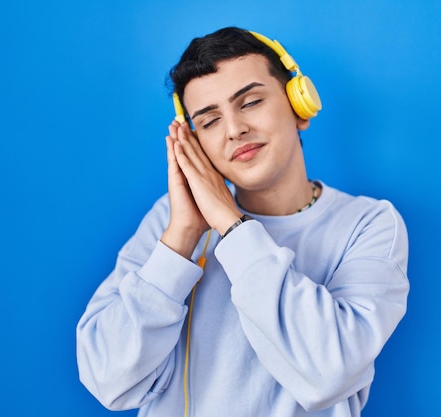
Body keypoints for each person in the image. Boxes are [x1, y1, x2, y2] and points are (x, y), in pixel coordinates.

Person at [76, 26, 409, 417]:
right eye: (210, 120)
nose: (235, 130)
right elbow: (107, 380)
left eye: (250, 102)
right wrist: (181, 238)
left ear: (299, 106)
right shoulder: (173, 222)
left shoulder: (368, 223)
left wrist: (231, 225)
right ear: (192, 142)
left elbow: (328, 373)